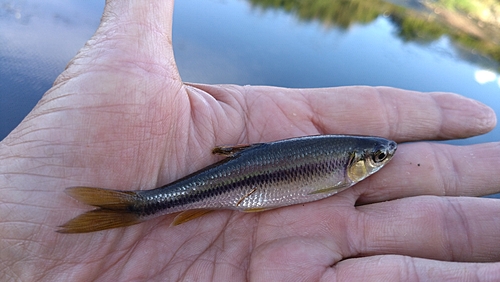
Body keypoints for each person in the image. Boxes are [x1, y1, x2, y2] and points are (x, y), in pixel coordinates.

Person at [1, 0, 499, 280]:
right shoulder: (337, 166)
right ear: (356, 160)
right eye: (376, 156)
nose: (382, 159)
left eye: (380, 156)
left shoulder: (335, 164)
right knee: (172, 199)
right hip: (239, 186)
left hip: (243, 186)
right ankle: (139, 206)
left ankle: (140, 206)